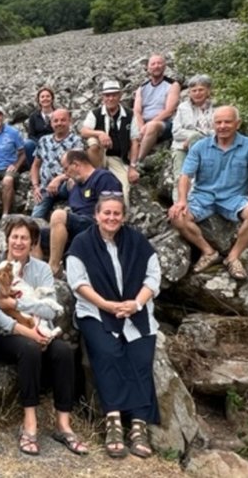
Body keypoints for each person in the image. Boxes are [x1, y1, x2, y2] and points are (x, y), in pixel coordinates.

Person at [66, 194, 161, 459]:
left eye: (116, 213)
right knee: (108, 353)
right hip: (96, 311)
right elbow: (78, 282)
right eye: (106, 213)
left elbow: (153, 277)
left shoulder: (137, 241)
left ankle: (139, 425)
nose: (111, 218)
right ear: (96, 215)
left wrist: (136, 304)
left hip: (134, 312)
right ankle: (114, 421)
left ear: (124, 216)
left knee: (140, 356)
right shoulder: (82, 243)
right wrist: (106, 305)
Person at [0, 217, 87, 456]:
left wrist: (17, 303)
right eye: (14, 237)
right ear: (7, 239)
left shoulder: (41, 269)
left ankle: (63, 424)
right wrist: (25, 328)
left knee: (63, 351)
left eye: (24, 238)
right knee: (29, 348)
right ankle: (30, 423)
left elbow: (50, 310)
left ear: (32, 243)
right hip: (5, 332)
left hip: (40, 328)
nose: (18, 242)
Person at [168, 106, 248, 280]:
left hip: (234, 198)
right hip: (202, 197)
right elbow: (185, 176)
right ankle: (208, 252)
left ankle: (233, 257)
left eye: (227, 122)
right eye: (218, 122)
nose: (222, 126)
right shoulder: (200, 146)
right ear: (213, 124)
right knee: (177, 216)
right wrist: (182, 201)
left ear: (238, 123)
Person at [35, 150, 122, 278]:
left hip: (95, 225)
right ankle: (36, 274)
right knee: (33, 233)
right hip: (75, 229)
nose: (65, 173)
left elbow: (114, 207)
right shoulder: (74, 186)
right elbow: (50, 191)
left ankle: (53, 268)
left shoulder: (103, 178)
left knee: (58, 215)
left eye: (66, 169)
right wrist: (59, 179)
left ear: (75, 165)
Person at [81, 80, 136, 199]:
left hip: (117, 158)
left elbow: (135, 141)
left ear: (120, 96)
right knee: (93, 142)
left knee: (124, 189)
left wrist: (132, 167)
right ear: (103, 97)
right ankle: (97, 174)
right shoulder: (95, 113)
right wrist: (100, 133)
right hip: (99, 155)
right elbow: (84, 131)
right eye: (107, 95)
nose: (110, 98)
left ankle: (122, 208)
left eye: (114, 95)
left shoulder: (130, 115)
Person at [29, 109, 82, 220]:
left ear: (69, 121)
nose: (59, 123)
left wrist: (58, 179)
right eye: (56, 121)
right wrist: (35, 186)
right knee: (35, 219)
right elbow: (35, 165)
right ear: (51, 123)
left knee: (73, 182)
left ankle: (78, 214)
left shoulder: (76, 141)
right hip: (46, 188)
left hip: (65, 185)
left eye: (63, 120)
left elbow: (77, 168)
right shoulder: (44, 140)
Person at [169, 74, 214, 201]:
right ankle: (179, 205)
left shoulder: (216, 107)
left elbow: (219, 131)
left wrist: (197, 137)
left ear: (208, 90)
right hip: (181, 147)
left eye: (201, 90)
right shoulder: (183, 107)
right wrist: (192, 136)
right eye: (194, 90)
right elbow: (176, 131)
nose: (197, 93)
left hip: (209, 146)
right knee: (180, 177)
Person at [132, 54, 181, 164]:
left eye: (159, 63)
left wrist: (148, 126)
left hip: (163, 123)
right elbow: (137, 111)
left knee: (152, 126)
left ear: (164, 66)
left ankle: (137, 162)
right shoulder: (142, 87)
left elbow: (169, 110)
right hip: (143, 123)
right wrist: (141, 127)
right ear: (148, 68)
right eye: (153, 64)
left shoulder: (173, 85)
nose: (156, 66)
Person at [23, 87, 56, 170]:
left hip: (55, 141)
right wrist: (40, 143)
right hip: (38, 143)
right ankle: (34, 169)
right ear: (39, 100)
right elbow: (31, 135)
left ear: (52, 99)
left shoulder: (58, 114)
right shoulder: (33, 116)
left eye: (48, 96)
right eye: (42, 97)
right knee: (28, 144)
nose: (45, 99)